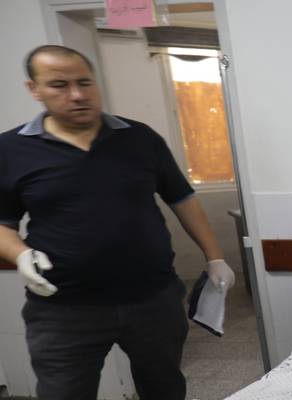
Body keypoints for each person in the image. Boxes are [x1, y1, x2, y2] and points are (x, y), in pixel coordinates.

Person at [0, 45, 235, 400]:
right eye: (59, 85)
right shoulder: (10, 150)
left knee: (165, 389)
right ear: (34, 89)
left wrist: (215, 256)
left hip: (152, 299)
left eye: (84, 82)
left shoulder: (139, 138)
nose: (77, 95)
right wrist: (20, 254)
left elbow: (182, 199)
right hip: (63, 308)